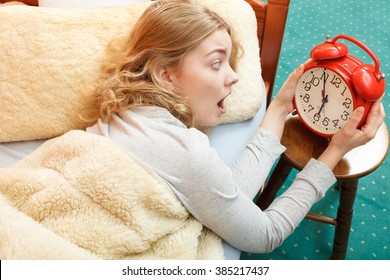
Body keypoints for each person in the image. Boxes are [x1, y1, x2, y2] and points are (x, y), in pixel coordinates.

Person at [81, 0, 385, 256]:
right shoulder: (187, 153)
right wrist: (335, 151)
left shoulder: (124, 110)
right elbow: (267, 233)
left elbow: (227, 193)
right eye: (216, 63)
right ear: (166, 75)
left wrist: (279, 107)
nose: (234, 77)